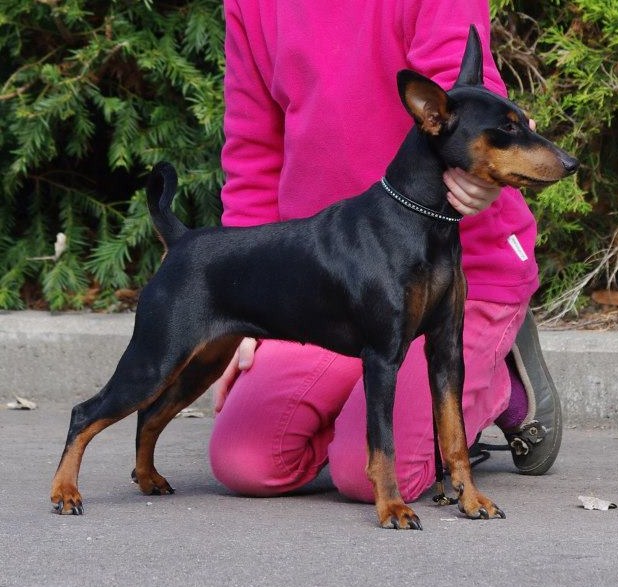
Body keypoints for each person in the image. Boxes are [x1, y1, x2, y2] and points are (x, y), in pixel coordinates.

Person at [208, 0, 562, 503]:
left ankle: (503, 386)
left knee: (363, 475)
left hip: (455, 266)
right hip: (332, 281)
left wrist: (480, 182)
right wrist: (243, 298)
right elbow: (253, 148)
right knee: (245, 462)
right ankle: (364, 392)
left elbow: (464, 91)